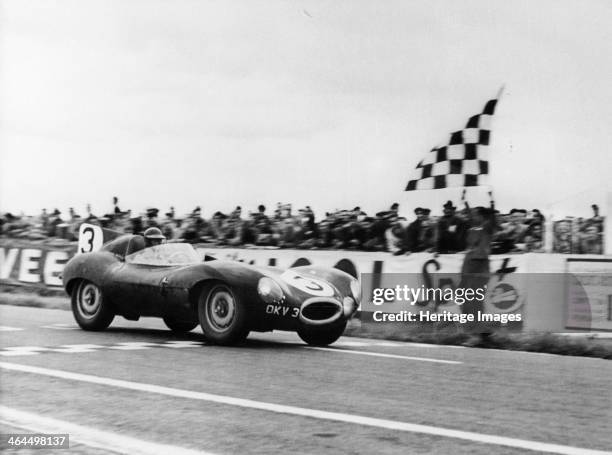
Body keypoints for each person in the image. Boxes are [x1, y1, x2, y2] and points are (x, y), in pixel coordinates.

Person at [460, 193, 497, 347]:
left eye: (476, 213)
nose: (472, 215)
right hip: (468, 265)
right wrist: (465, 200)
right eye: (472, 213)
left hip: (480, 267)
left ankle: (476, 334)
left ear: (482, 216)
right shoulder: (472, 227)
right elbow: (468, 214)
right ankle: (483, 332)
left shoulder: (487, 227)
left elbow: (492, 218)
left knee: (473, 300)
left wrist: (492, 201)